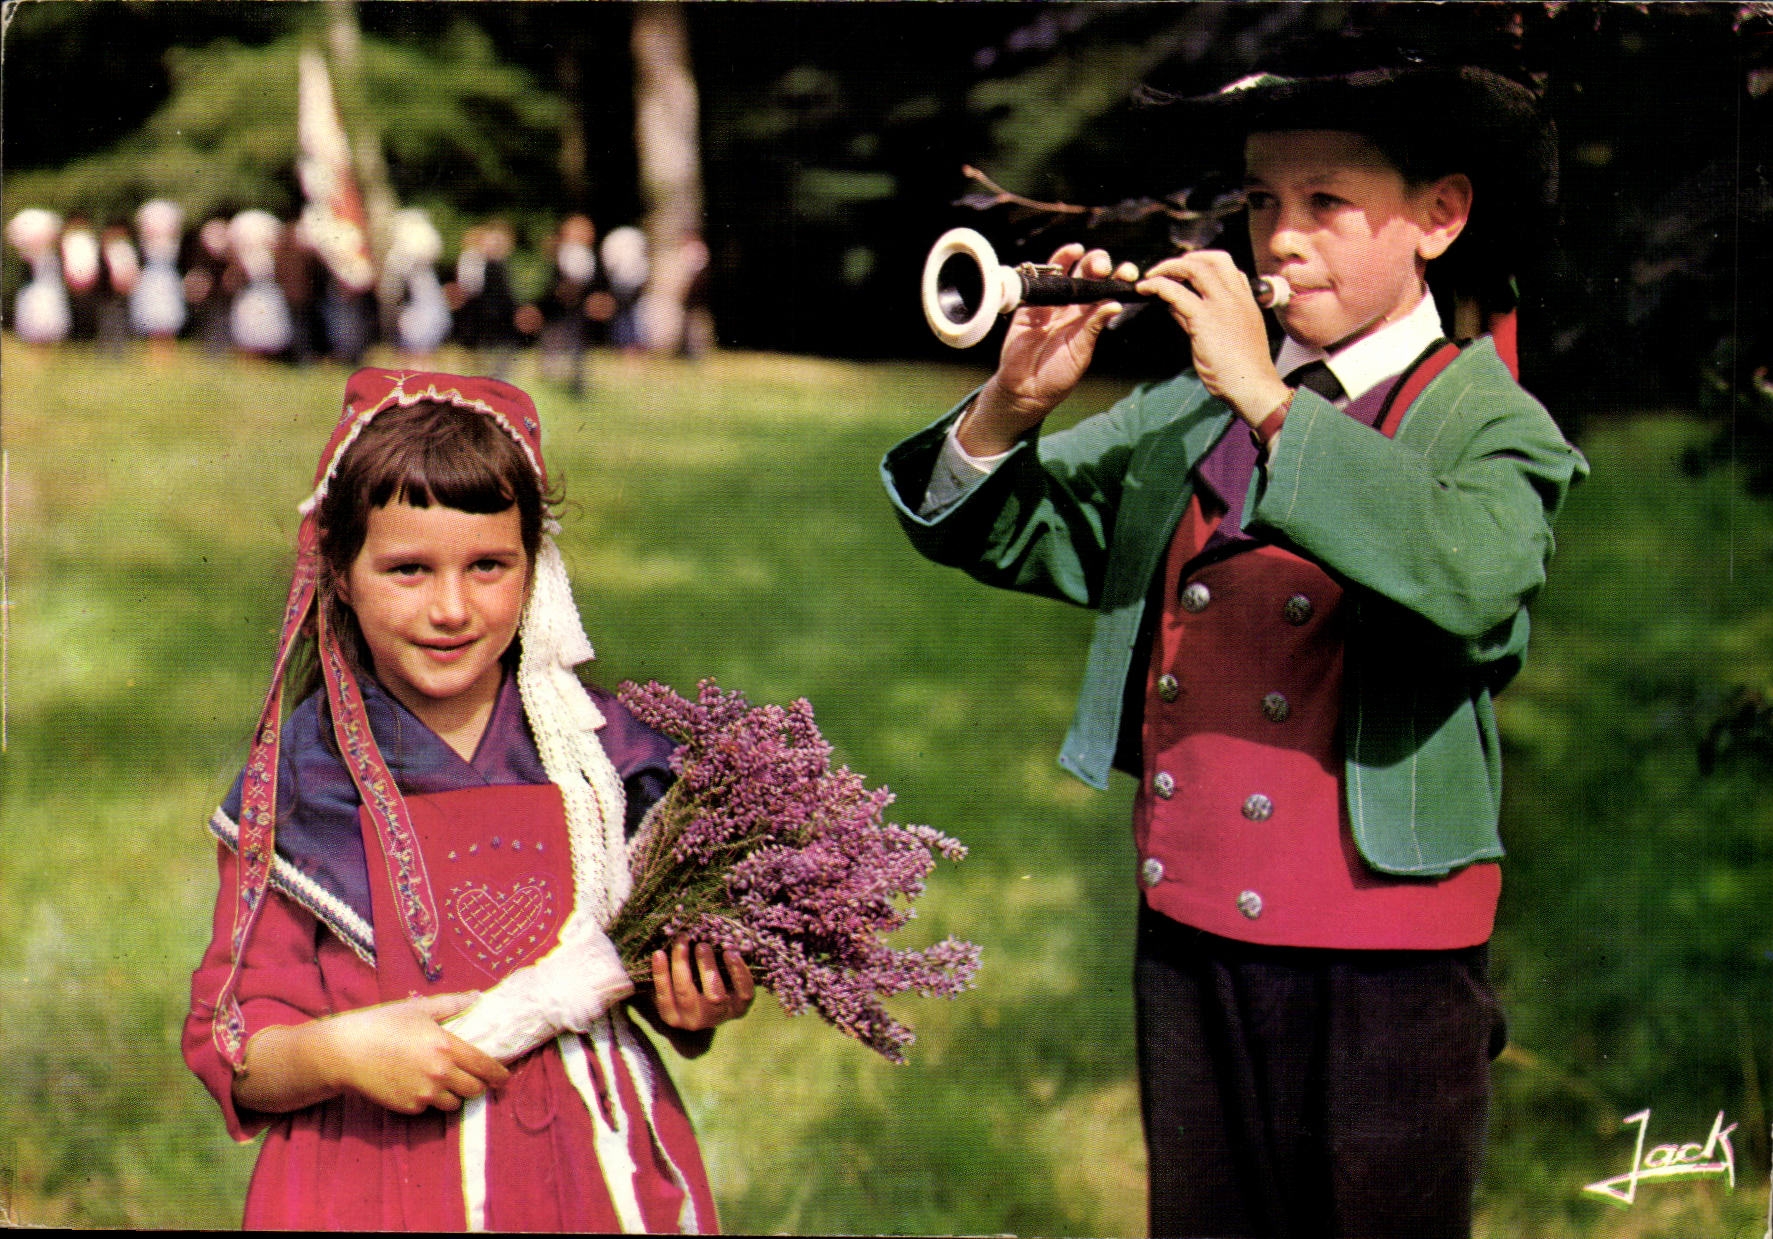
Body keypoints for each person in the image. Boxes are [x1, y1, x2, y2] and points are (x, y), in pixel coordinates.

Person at [882, 66, 1587, 1238]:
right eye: (1263, 203)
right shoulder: (1191, 408)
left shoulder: (1489, 418)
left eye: (1327, 204)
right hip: (1192, 924)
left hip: (1384, 961)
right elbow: (1028, 536)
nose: (1283, 240)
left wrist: (1267, 397)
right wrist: (1012, 406)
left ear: (1440, 218)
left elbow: (1470, 578)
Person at [184, 368, 753, 1231]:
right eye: (408, 568)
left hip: (593, 1170)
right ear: (337, 570)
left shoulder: (604, 757)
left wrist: (694, 999)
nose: (451, 608)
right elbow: (231, 1041)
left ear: (535, 568)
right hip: (377, 1181)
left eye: (488, 565)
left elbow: (653, 970)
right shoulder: (303, 783)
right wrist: (338, 1050)